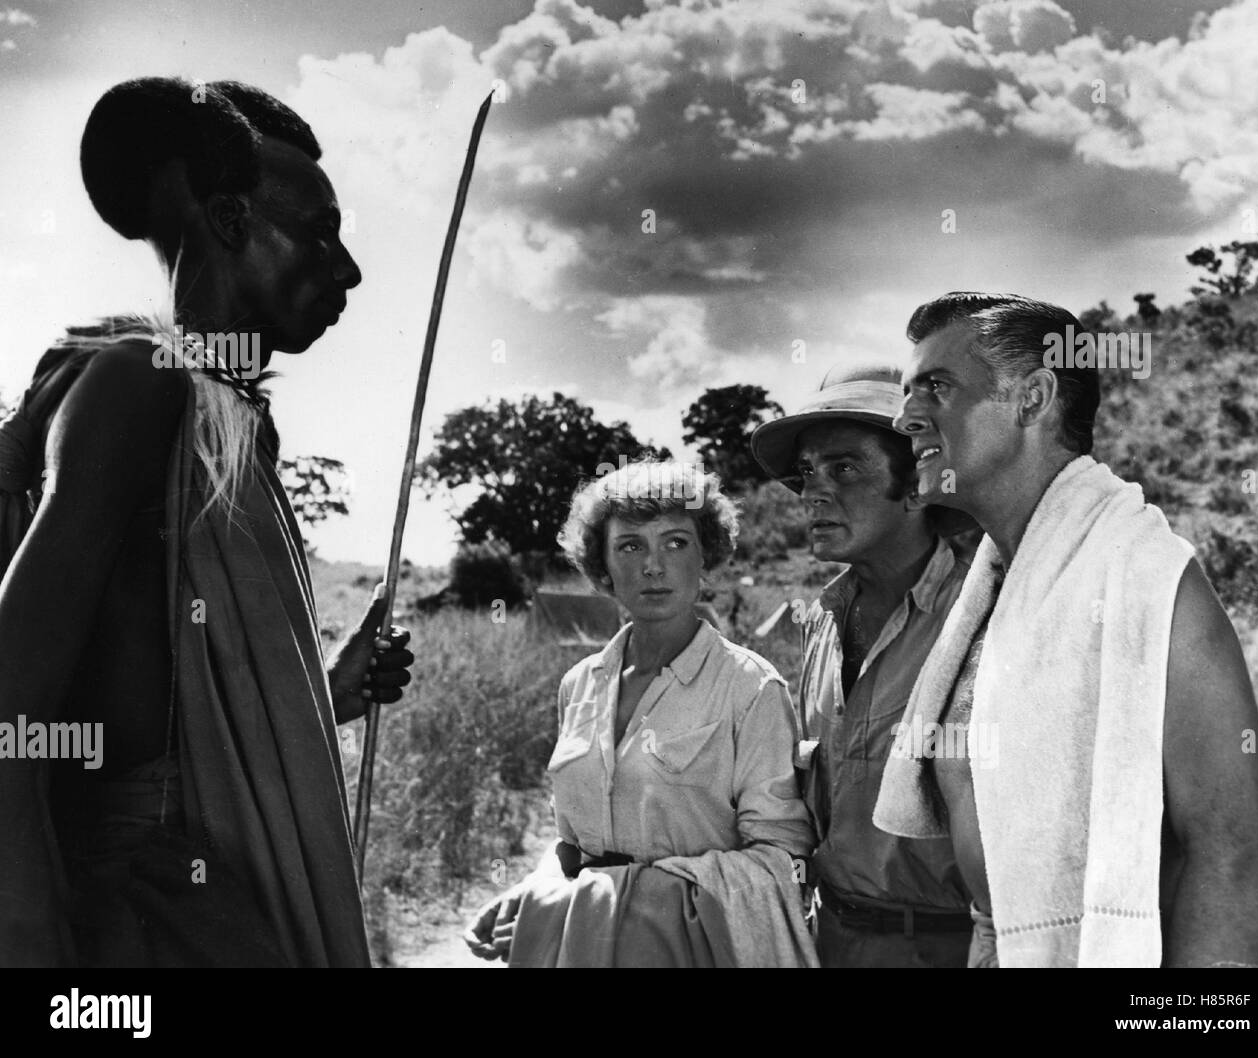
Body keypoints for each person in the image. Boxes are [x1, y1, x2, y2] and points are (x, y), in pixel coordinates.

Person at [0, 77, 414, 967]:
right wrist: (34, 944)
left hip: (198, 892)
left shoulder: (229, 426)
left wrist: (322, 696)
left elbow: (167, 694)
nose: (346, 269)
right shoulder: (141, 384)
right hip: (127, 914)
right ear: (229, 223)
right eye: (319, 232)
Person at [875, 291, 1258, 967]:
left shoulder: (1147, 577)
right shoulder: (995, 590)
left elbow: (1235, 853)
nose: (905, 416)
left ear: (1032, 399)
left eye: (936, 388)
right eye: (909, 392)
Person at [463, 459, 816, 967]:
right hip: (580, 948)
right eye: (631, 546)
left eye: (676, 543)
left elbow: (782, 861)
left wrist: (618, 897)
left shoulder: (750, 688)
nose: (655, 565)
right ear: (603, 567)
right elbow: (570, 843)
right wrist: (533, 894)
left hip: (690, 952)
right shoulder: (579, 684)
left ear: (705, 557)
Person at [749, 364, 980, 967]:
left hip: (950, 948)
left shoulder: (982, 615)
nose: (814, 492)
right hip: (830, 942)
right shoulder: (823, 622)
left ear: (917, 482)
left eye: (845, 468)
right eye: (807, 473)